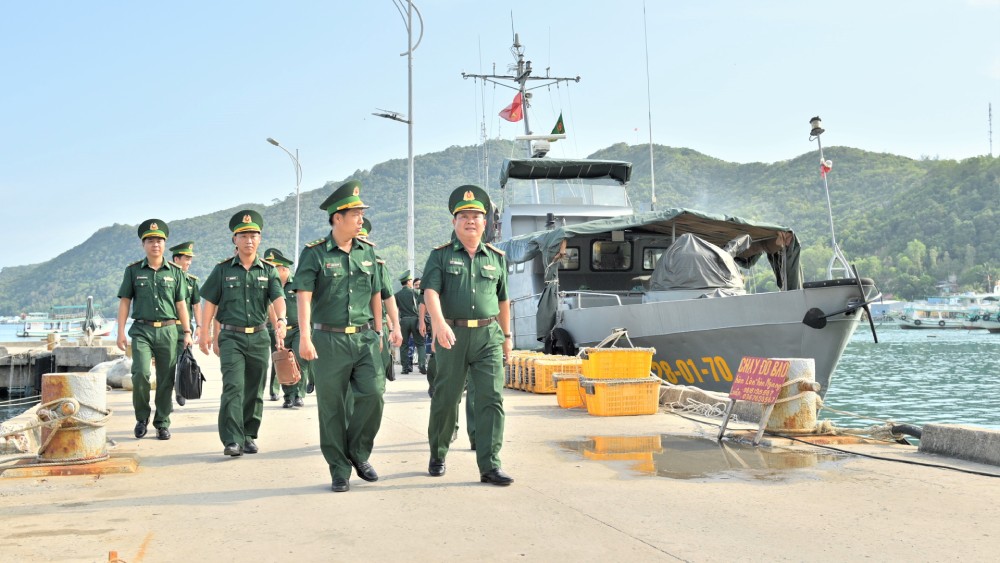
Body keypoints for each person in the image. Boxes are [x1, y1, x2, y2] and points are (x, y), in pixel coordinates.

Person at [293, 180, 384, 493]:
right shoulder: (315, 255)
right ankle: (339, 468)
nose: (361, 219)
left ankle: (358, 453)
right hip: (328, 340)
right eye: (355, 213)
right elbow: (303, 297)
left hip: (363, 338)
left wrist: (381, 331)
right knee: (331, 407)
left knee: (373, 393)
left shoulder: (368, 253)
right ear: (337, 218)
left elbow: (376, 294)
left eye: (361, 213)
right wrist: (305, 337)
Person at [422, 185, 513, 486]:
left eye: (476, 215)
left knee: (491, 399)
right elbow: (431, 291)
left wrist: (507, 337)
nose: (470, 220)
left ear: (485, 223)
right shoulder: (440, 256)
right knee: (446, 399)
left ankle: (490, 465)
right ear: (454, 222)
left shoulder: (496, 258)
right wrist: (438, 323)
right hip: (453, 335)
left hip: (488, 335)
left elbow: (503, 300)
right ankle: (438, 452)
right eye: (464, 216)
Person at [199, 210, 286, 457]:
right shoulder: (223, 270)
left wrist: (281, 320)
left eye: (254, 235)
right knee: (233, 387)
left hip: (259, 336)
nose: (249, 240)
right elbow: (210, 303)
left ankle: (249, 434)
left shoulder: (268, 270)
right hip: (231, 337)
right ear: (234, 240)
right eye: (244, 235)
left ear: (260, 239)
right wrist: (205, 332)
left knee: (255, 389)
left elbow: (278, 297)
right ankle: (232, 439)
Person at [116, 219, 192, 441]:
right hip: (142, 330)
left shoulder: (176, 273)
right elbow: (124, 302)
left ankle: (162, 423)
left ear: (165, 244)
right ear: (143, 244)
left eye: (159, 240)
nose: (155, 244)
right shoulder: (132, 271)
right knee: (140, 373)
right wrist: (120, 331)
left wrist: (187, 332)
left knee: (166, 379)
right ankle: (141, 418)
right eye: (150, 240)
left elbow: (181, 304)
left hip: (169, 330)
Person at [263, 248, 311, 409]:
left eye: (274, 268)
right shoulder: (270, 285)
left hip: (298, 329)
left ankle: (299, 394)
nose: (272, 271)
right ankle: (288, 396)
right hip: (278, 330)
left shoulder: (297, 283)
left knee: (300, 360)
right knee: (282, 362)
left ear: (284, 269)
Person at [358, 218, 403, 382]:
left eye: (364, 238)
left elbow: (388, 297)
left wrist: (395, 327)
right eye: (358, 239)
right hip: (346, 330)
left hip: (375, 328)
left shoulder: (377, 264)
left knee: (376, 380)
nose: (361, 242)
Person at [169, 240, 201, 407]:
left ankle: (180, 390)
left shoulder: (192, 281)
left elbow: (196, 305)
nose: (189, 262)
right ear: (176, 259)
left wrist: (200, 327)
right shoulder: (167, 278)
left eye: (190, 259)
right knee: (167, 364)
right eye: (186, 258)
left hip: (184, 329)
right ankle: (166, 396)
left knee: (184, 361)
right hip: (168, 327)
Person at [394, 271, 425, 375]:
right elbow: (423, 304)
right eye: (411, 281)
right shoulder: (415, 292)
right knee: (420, 343)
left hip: (403, 321)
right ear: (408, 282)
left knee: (404, 345)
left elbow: (395, 309)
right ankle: (421, 365)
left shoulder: (397, 295)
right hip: (415, 319)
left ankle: (405, 367)